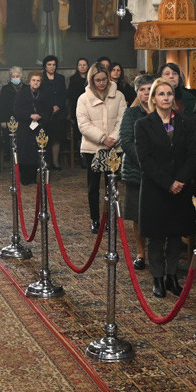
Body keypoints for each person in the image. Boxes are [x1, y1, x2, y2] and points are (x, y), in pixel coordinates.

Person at [135, 79, 196, 298]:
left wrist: (180, 180)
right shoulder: (143, 124)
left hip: (180, 187)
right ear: (153, 98)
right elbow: (145, 160)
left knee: (175, 235)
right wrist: (168, 183)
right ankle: (157, 278)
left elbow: (193, 154)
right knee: (156, 237)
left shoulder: (184, 123)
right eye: (161, 94)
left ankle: (172, 276)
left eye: (169, 94)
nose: (166, 98)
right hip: (156, 188)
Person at [76, 66, 126, 232]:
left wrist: (113, 138)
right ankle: (95, 219)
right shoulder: (84, 98)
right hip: (93, 148)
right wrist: (102, 138)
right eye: (97, 80)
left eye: (104, 79)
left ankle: (110, 218)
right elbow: (83, 124)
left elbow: (122, 120)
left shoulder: (118, 95)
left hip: (114, 147)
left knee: (112, 186)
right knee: (93, 186)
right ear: (91, 80)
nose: (101, 83)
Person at [117, 75, 155, 271]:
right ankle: (141, 253)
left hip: (159, 171)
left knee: (157, 213)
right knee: (137, 214)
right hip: (136, 170)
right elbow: (126, 140)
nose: (146, 93)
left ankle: (157, 252)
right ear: (137, 93)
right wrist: (145, 162)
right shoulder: (131, 113)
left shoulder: (164, 112)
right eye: (142, 90)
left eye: (149, 89)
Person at [12, 69, 51, 187]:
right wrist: (29, 115)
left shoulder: (45, 94)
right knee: (25, 152)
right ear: (29, 81)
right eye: (33, 80)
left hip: (39, 126)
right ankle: (25, 177)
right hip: (25, 127)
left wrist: (40, 116)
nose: (36, 82)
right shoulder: (21, 94)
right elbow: (17, 110)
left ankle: (35, 177)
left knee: (36, 153)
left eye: (38, 80)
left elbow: (49, 110)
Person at [40, 55, 68, 169]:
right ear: (45, 66)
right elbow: (40, 96)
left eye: (54, 65)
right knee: (45, 138)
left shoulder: (60, 78)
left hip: (59, 113)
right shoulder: (41, 78)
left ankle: (56, 162)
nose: (52, 67)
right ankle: (46, 162)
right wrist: (50, 108)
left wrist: (57, 106)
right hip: (46, 113)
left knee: (57, 138)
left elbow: (64, 94)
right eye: (49, 65)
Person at [0, 66, 22, 162]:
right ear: (10, 77)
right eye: (13, 76)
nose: (15, 78)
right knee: (10, 142)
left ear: (21, 76)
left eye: (17, 76)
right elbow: (2, 106)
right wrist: (2, 120)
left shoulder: (26, 88)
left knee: (22, 141)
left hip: (22, 119)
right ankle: (11, 162)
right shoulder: (5, 89)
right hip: (9, 119)